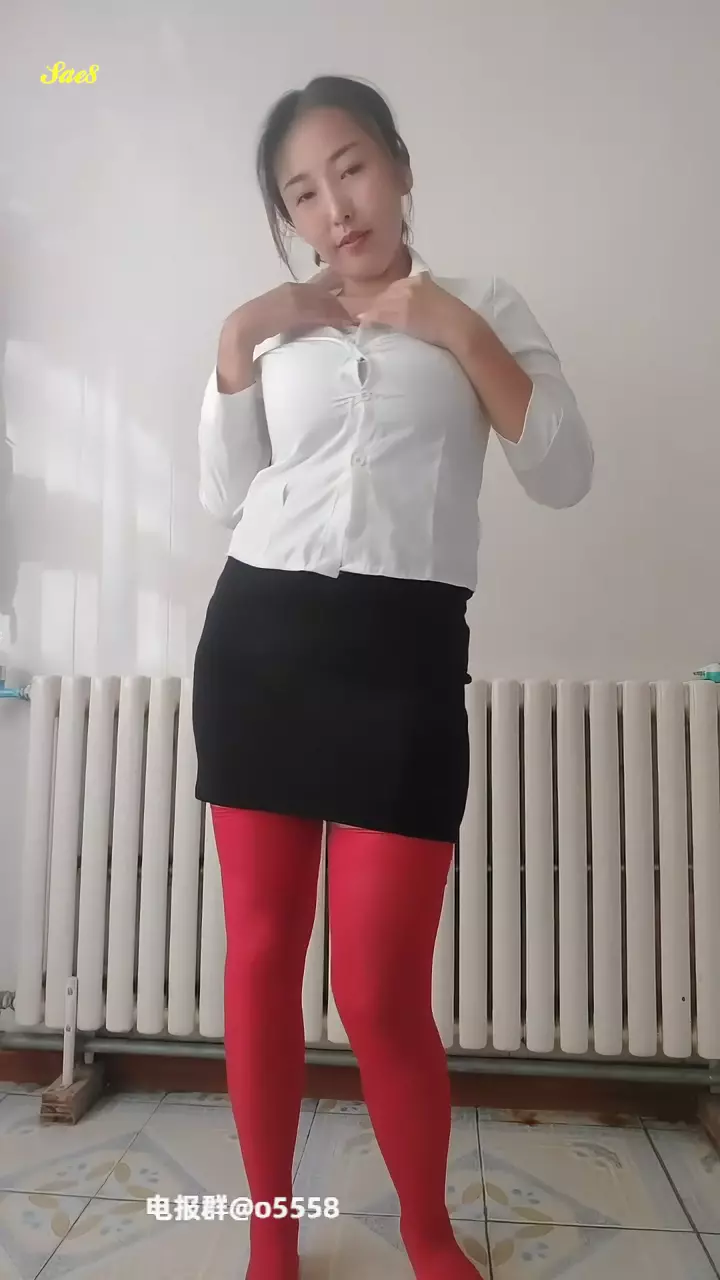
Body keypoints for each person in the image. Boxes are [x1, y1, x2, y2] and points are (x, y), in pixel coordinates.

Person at [192, 74, 593, 1280]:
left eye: (352, 167)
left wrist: (453, 328)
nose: (337, 206)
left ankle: (426, 1228)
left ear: (401, 167)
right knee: (262, 958)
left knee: (376, 988)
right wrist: (238, 340)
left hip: (404, 659)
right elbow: (225, 492)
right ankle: (272, 1233)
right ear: (289, 217)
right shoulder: (276, 328)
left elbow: (564, 469)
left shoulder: (483, 304)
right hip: (259, 643)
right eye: (303, 193)